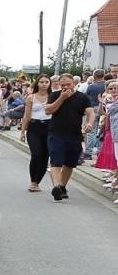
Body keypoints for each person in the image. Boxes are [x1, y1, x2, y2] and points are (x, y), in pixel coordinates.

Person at [44, 72, 94, 202]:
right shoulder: (55, 95)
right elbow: (48, 110)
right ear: (59, 85)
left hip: (74, 135)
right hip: (56, 133)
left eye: (68, 84)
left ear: (74, 83)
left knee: (69, 163)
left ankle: (62, 186)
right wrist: (61, 98)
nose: (66, 87)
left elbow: (90, 112)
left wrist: (89, 123)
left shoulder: (82, 97)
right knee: (56, 161)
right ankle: (56, 187)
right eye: (63, 85)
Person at [23, 75, 53, 192]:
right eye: (41, 82)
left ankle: (37, 181)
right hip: (34, 127)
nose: (44, 84)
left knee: (45, 156)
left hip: (49, 127)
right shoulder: (31, 97)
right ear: (38, 83)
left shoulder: (53, 96)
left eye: (46, 82)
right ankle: (33, 181)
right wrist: (22, 131)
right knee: (36, 154)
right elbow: (26, 115)